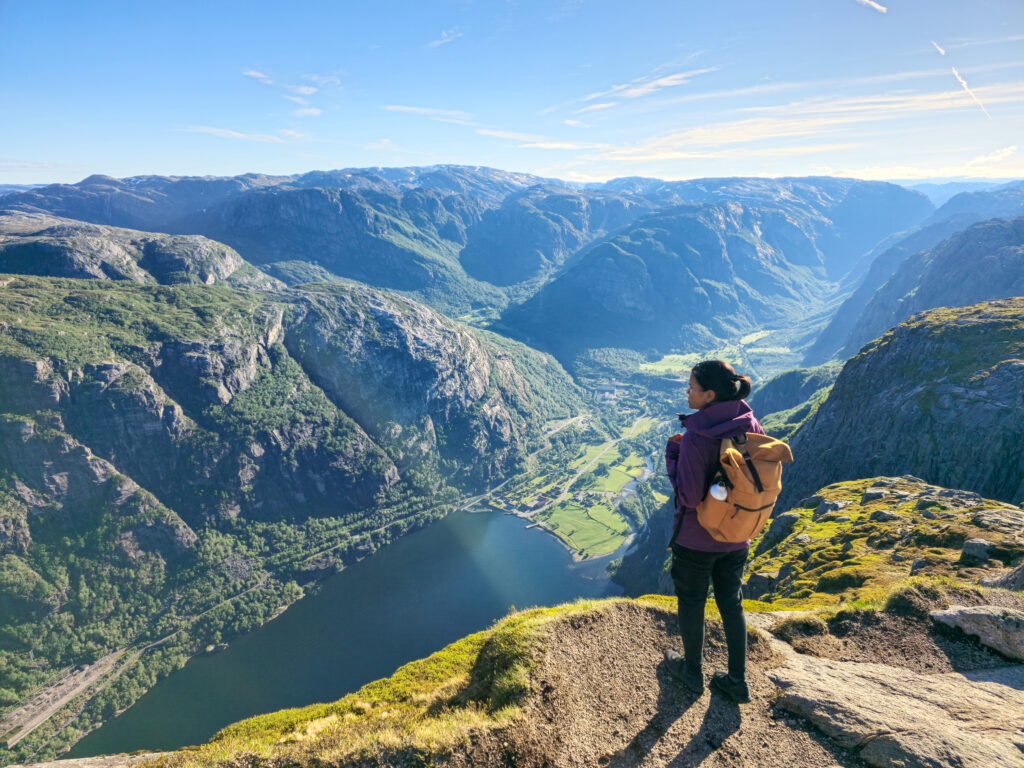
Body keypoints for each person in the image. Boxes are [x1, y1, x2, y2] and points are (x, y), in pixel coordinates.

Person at [663, 359, 763, 703]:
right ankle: (737, 680)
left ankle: (692, 673)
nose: (687, 393)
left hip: (697, 540)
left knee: (692, 602)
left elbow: (690, 496)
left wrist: (674, 455)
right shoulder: (749, 423)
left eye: (691, 388)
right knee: (731, 603)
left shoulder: (695, 438)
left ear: (708, 395)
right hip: (737, 535)